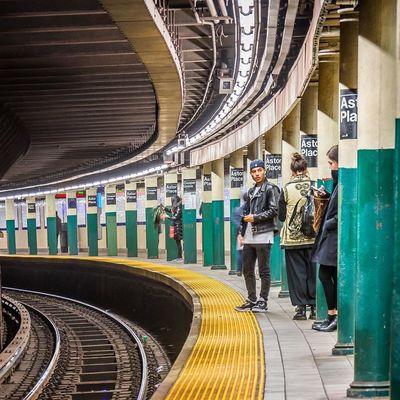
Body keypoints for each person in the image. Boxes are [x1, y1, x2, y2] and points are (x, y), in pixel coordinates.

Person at [235, 159, 278, 313]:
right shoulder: (251, 191)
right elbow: (244, 213)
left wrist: (256, 217)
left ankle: (263, 300)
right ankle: (252, 299)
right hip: (249, 235)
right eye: (253, 171)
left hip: (263, 234)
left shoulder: (271, 189)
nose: (256, 174)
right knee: (247, 269)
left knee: (263, 270)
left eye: (259, 170)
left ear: (264, 171)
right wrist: (240, 232)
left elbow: (274, 210)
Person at [279, 153, 316, 320]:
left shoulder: (286, 189)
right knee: (312, 271)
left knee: (297, 273)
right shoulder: (314, 186)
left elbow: (281, 216)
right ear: (306, 169)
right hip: (313, 237)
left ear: (292, 171)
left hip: (292, 239)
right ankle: (315, 307)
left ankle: (301, 308)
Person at [312, 145, 339, 332]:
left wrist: (329, 223)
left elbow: (344, 210)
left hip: (334, 238)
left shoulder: (345, 181)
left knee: (325, 274)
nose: (330, 167)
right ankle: (331, 315)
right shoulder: (339, 182)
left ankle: (334, 315)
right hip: (331, 236)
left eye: (331, 163)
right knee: (328, 275)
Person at [163, 195, 183, 262]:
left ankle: (180, 257)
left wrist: (167, 217)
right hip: (175, 226)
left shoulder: (179, 207)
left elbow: (176, 217)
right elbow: (172, 211)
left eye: (172, 200)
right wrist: (164, 208)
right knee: (177, 242)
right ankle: (179, 257)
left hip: (178, 226)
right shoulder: (176, 207)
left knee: (178, 242)